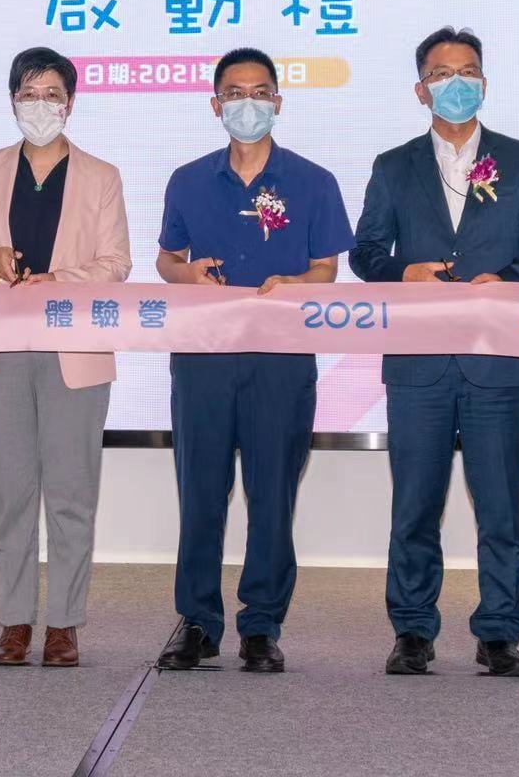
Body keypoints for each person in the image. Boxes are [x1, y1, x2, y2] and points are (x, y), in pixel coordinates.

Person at [350, 26, 519, 677]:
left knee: (500, 508)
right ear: (421, 90)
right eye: (442, 75)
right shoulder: (393, 166)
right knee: (415, 505)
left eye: (467, 72)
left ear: (485, 83)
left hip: (496, 360)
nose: (456, 84)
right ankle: (413, 629)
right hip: (417, 365)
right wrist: (403, 272)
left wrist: (509, 281)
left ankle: (499, 633)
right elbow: (365, 253)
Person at [154, 47, 354, 673]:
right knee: (201, 493)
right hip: (203, 357)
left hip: (280, 359)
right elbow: (167, 259)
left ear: (278, 103)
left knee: (272, 494)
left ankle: (262, 624)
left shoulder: (313, 182)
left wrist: (295, 284)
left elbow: (326, 269)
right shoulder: (188, 180)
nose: (248, 103)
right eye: (235, 93)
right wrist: (185, 274)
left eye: (260, 92)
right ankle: (197, 621)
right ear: (216, 105)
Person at [0, 46, 131, 668]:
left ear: (70, 103)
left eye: (52, 94)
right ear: (12, 101)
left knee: (72, 493)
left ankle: (65, 624)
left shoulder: (101, 176)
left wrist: (58, 281)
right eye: (29, 94)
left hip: (74, 347)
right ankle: (15, 621)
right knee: (10, 493)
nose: (40, 105)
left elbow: (116, 264)